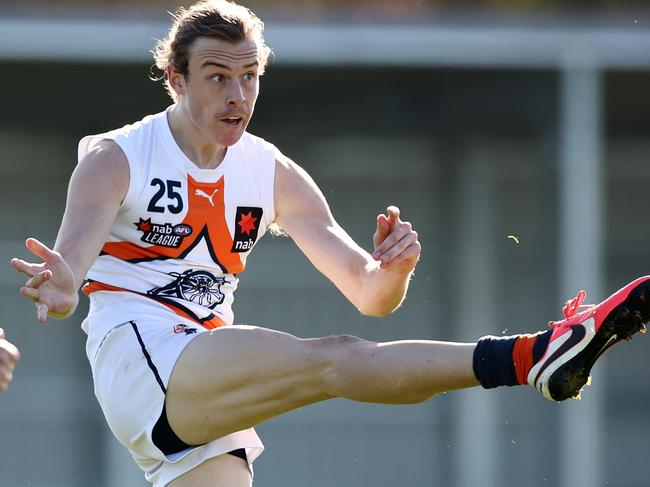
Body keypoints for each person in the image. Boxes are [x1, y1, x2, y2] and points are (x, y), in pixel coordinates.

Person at [10, 1, 650, 485]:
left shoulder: (271, 172)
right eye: (216, 77)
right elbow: (70, 269)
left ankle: (539, 360)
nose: (238, 97)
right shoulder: (117, 158)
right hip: (141, 357)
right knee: (336, 357)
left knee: (343, 353)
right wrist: (64, 287)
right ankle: (535, 356)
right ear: (175, 79)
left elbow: (369, 295)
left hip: (204, 370)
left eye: (250, 76)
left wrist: (392, 270)